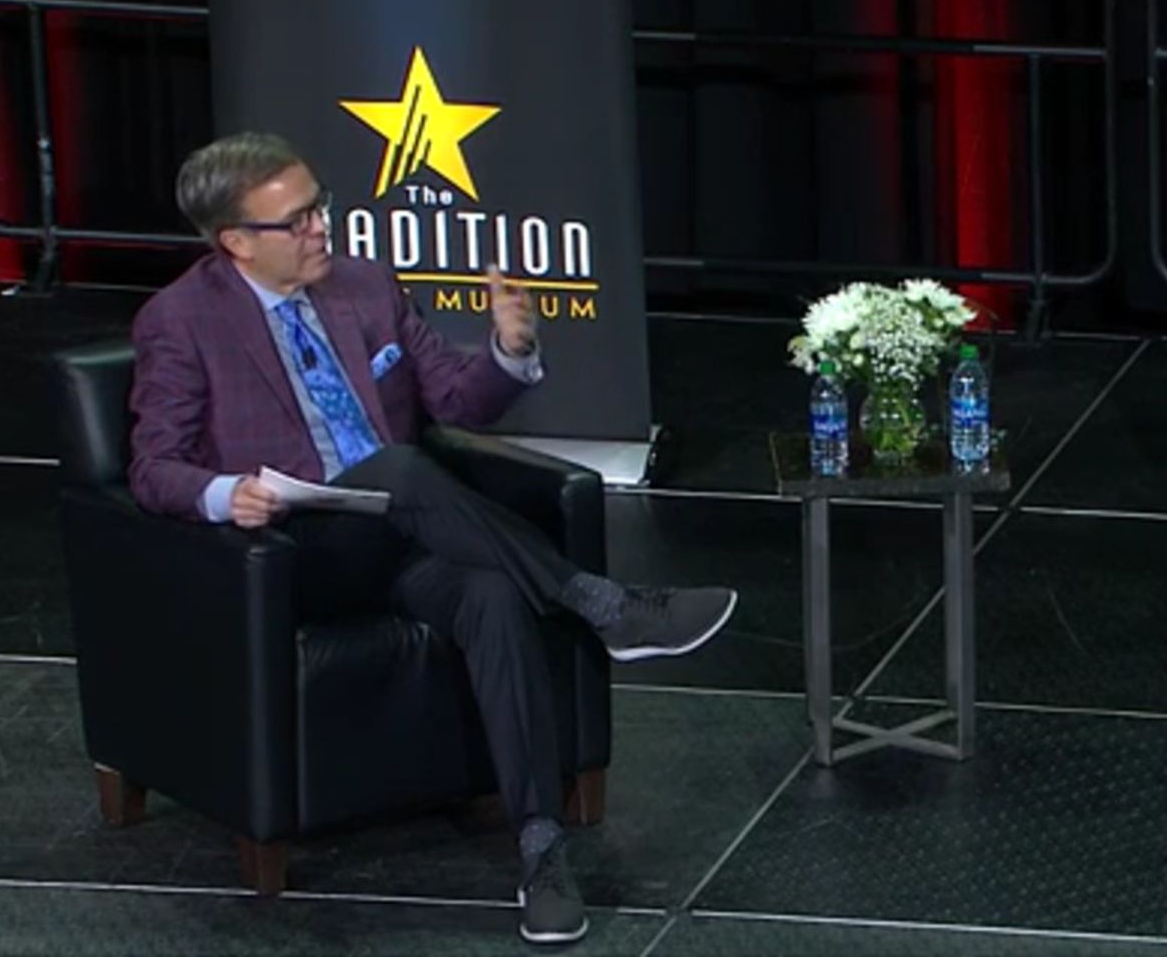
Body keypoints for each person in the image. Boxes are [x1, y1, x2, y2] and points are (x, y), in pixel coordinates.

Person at [129, 131, 738, 943]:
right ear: (236, 241)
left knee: (490, 593)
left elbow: (454, 400)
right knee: (401, 468)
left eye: (319, 206)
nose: (321, 227)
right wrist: (222, 494)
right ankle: (600, 604)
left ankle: (541, 853)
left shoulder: (365, 284)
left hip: (403, 542)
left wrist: (509, 351)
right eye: (297, 220)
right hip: (294, 556)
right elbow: (152, 466)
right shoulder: (180, 321)